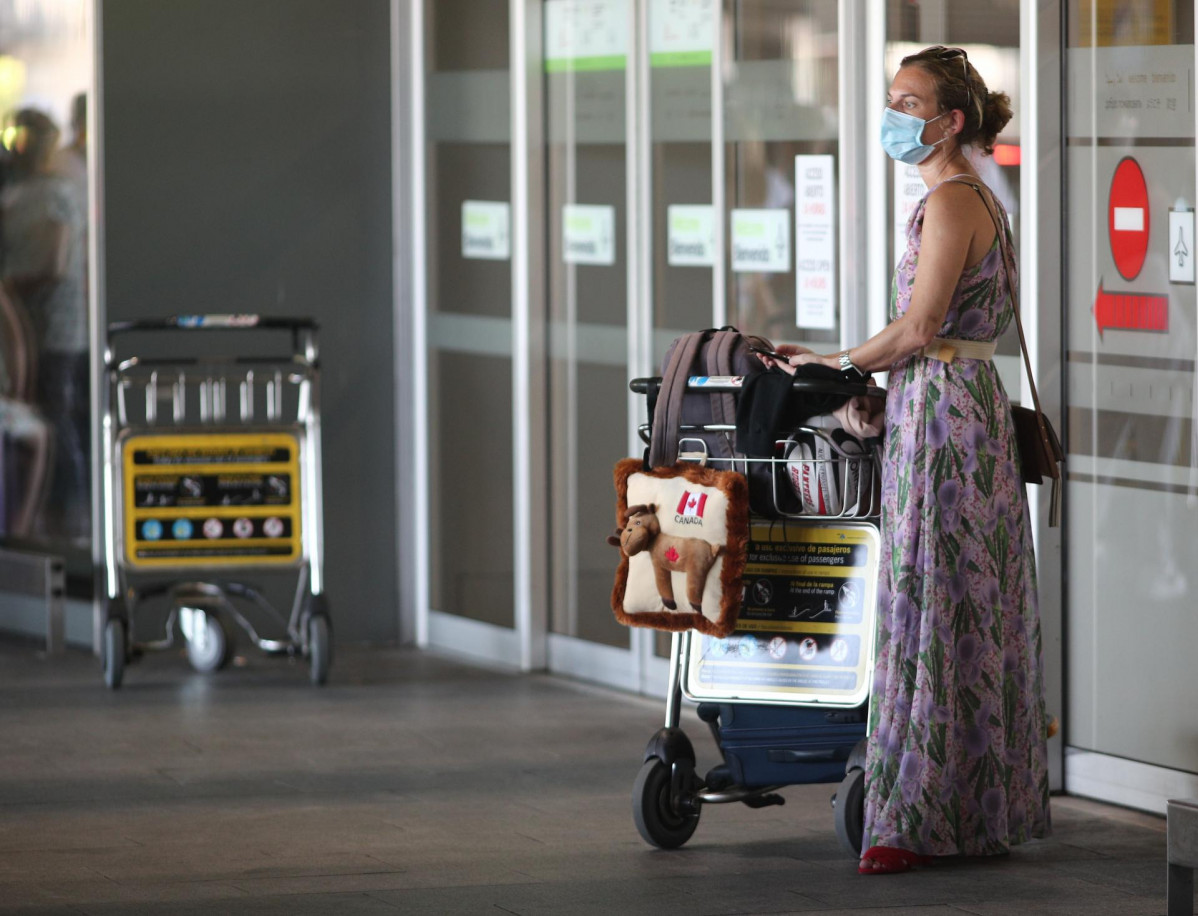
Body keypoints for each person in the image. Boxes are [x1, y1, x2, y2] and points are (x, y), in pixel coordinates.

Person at [761, 47, 1051, 873]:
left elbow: (921, 330)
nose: (893, 113)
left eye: (908, 100)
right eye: (891, 97)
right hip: (949, 408)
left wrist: (835, 366)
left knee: (933, 598)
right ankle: (969, 809)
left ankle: (917, 820)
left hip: (948, 418)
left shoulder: (955, 201)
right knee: (961, 602)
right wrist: (846, 365)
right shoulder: (956, 200)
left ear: (950, 120)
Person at [1, 108, 90, 543]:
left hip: (53, 322)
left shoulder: (58, 193)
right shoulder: (17, 191)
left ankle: (67, 516)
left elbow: (55, 262)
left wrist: (13, 286)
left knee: (55, 413)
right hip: (22, 321)